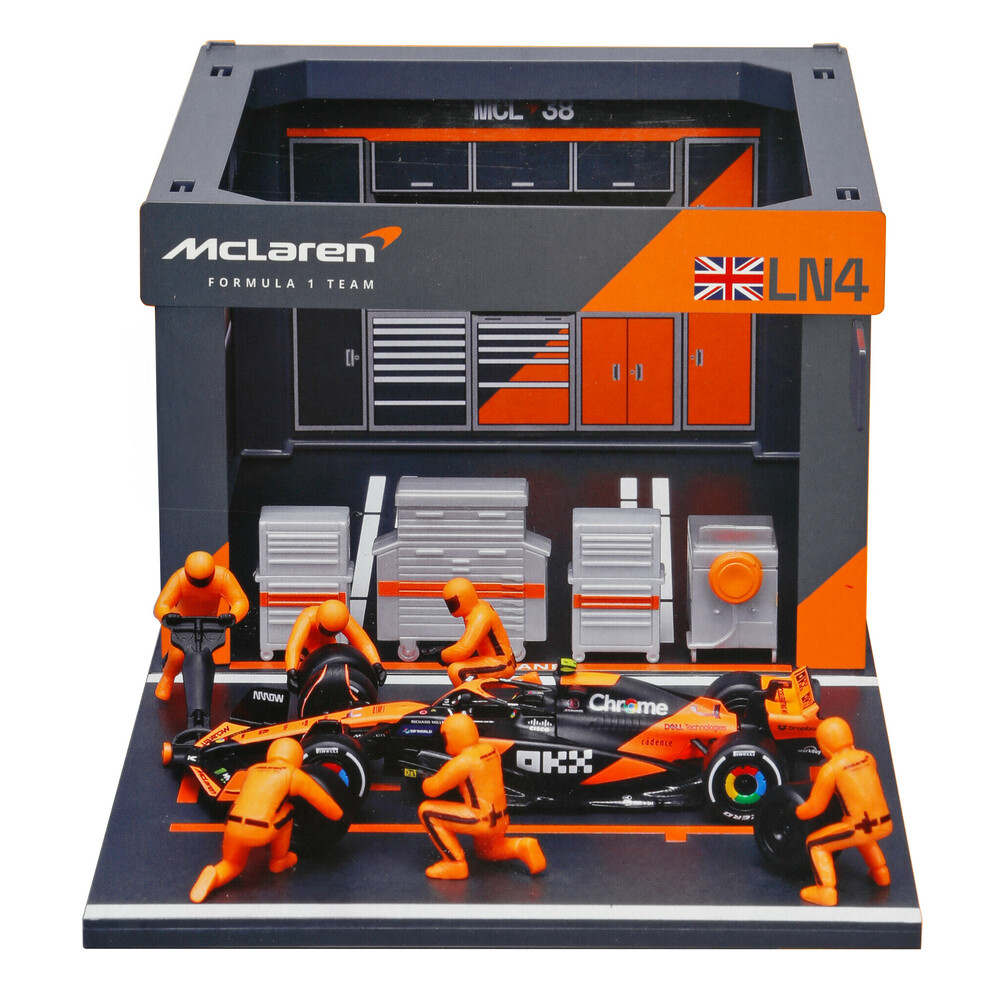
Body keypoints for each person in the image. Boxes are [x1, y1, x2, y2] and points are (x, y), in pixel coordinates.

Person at [190, 738, 344, 902]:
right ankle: (279, 860)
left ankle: (215, 875)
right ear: (297, 757)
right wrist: (341, 816)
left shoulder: (252, 770)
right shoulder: (292, 774)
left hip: (233, 825)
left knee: (233, 865)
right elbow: (323, 802)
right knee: (288, 809)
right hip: (260, 829)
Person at [418, 713, 545, 880]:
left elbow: (432, 789)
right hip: (501, 819)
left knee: (427, 812)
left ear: (452, 737)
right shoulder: (490, 749)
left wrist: (425, 778)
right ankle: (522, 846)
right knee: (487, 851)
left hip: (481, 819)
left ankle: (455, 863)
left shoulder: (463, 761)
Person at [795, 716, 893, 906]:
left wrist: (797, 812)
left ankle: (826, 890)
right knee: (865, 835)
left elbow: (815, 807)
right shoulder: (868, 757)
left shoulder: (831, 769)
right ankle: (881, 872)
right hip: (884, 823)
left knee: (815, 844)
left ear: (824, 745)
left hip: (858, 826)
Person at [153, 551, 249, 701]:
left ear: (212, 573)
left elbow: (240, 600)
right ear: (187, 574)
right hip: (183, 623)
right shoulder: (179, 578)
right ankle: (167, 677)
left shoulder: (223, 576)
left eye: (205, 581)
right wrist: (167, 616)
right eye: (195, 581)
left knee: (208, 655)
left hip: (210, 623)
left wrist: (233, 615)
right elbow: (162, 604)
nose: (200, 585)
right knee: (177, 656)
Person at [283, 599, 384, 689]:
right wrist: (291, 670)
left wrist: (376, 664)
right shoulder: (307, 617)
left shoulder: (343, 619)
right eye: (325, 631)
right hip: (307, 650)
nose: (327, 634)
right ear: (318, 619)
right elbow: (295, 645)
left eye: (332, 633)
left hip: (328, 648)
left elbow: (363, 643)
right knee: (303, 675)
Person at [440, 577, 516, 687]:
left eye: (453, 603)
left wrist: (442, 655)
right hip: (496, 660)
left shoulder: (480, 616)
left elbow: (464, 649)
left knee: (457, 670)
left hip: (502, 663)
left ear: (463, 599)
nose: (451, 607)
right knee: (460, 664)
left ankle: (472, 696)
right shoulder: (477, 608)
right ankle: (528, 680)